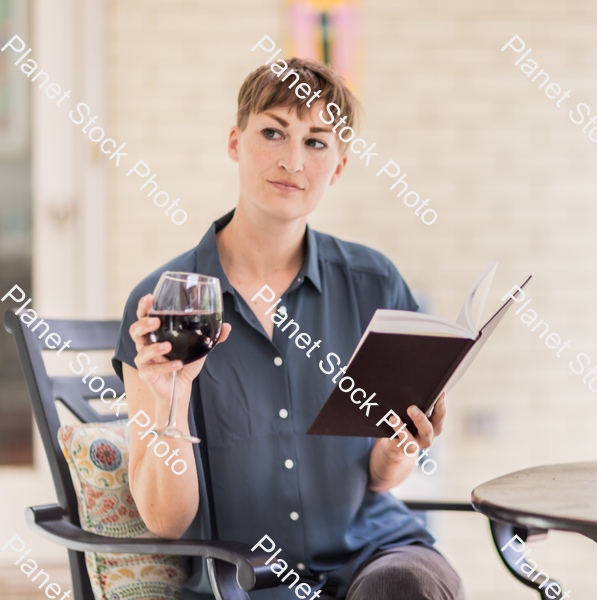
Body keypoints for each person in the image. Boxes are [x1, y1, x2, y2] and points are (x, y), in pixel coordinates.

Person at [113, 57, 464, 600]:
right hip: (242, 579)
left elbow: (376, 478)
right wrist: (172, 398)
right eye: (273, 132)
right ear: (235, 142)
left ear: (339, 166)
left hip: (373, 555)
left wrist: (398, 452)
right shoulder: (164, 303)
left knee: (405, 587)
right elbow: (166, 521)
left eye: (317, 142)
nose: (292, 160)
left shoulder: (375, 285)